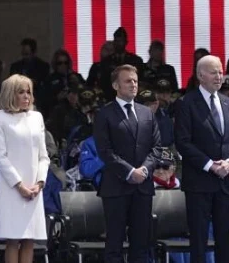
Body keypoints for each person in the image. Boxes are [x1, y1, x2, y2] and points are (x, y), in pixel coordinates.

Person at [93, 64, 161, 263]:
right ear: (116, 85)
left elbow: (157, 147)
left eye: (135, 81)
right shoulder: (104, 113)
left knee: (141, 245)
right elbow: (105, 151)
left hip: (143, 187)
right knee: (114, 244)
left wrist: (145, 169)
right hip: (116, 187)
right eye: (128, 81)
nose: (133, 84)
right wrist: (130, 172)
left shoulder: (146, 113)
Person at [0, 74, 50, 263]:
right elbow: (0, 156)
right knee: (13, 239)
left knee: (29, 239)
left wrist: (39, 183)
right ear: (9, 94)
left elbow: (44, 156)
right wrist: (19, 185)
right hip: (11, 188)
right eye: (21, 92)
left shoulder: (36, 117)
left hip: (34, 188)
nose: (26, 97)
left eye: (29, 92)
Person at [174, 54, 229, 262]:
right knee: (199, 241)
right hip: (199, 182)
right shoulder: (186, 103)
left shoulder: (226, 102)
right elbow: (183, 142)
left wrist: (227, 163)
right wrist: (210, 165)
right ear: (200, 75)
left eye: (221, 71)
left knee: (225, 239)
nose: (219, 76)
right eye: (214, 72)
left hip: (225, 182)